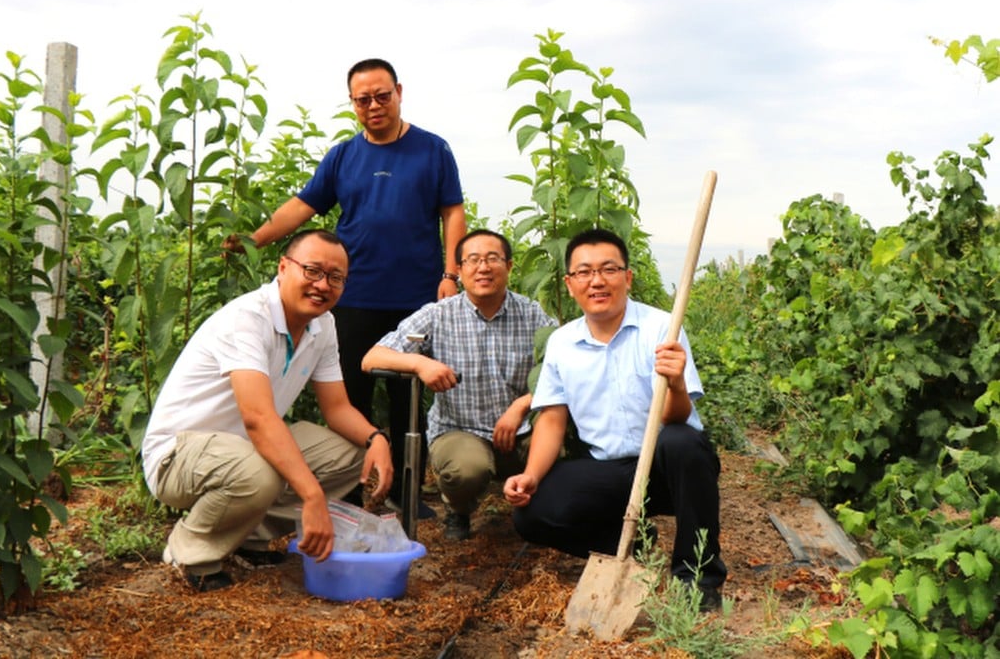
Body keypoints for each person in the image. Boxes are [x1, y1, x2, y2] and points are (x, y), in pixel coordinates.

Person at [225, 58, 465, 517]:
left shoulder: (433, 150)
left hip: (416, 297)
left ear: (399, 91)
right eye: (363, 99)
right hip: (351, 294)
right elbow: (303, 206)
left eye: (382, 96)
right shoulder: (343, 156)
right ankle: (353, 491)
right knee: (350, 393)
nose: (373, 106)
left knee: (407, 399)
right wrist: (254, 240)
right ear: (352, 103)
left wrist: (449, 275)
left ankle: (409, 493)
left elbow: (452, 212)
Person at [143, 229, 394, 592]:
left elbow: (337, 408)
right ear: (282, 267)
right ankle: (190, 553)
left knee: (350, 455)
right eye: (312, 271)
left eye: (335, 277)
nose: (322, 285)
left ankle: (248, 535)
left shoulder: (322, 325)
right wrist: (312, 497)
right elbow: (258, 419)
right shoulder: (247, 319)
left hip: (243, 449)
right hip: (178, 454)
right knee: (261, 471)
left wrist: (377, 439)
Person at [502, 228, 726, 608]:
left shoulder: (661, 328)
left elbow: (680, 417)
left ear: (627, 277)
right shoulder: (562, 343)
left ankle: (697, 576)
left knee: (682, 441)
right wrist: (531, 475)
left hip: (667, 468)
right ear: (570, 284)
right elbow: (552, 421)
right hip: (610, 470)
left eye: (609, 269)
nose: (597, 281)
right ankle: (634, 546)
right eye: (585, 272)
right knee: (531, 514)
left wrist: (675, 386)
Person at [361, 229, 555, 540]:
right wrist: (421, 363)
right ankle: (458, 509)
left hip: (520, 428)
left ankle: (533, 506)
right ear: (460, 270)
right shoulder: (439, 315)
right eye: (473, 260)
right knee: (464, 472)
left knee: (554, 456)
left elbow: (565, 369)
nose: (483, 267)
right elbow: (371, 358)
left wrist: (521, 406)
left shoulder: (532, 315)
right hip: (460, 429)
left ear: (510, 266)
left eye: (493, 259)